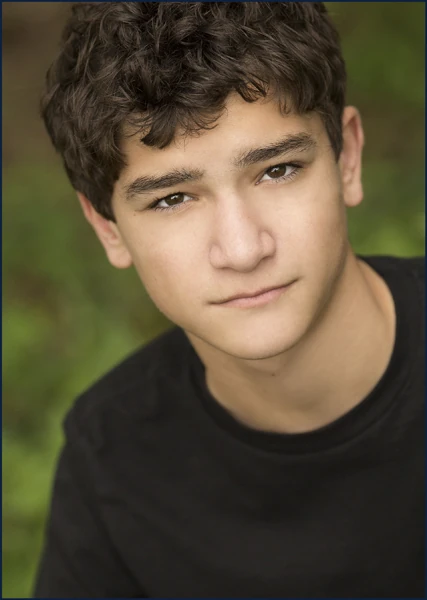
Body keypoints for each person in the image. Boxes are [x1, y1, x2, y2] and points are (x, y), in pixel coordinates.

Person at [34, 2, 424, 597]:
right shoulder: (111, 457)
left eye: (278, 169)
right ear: (108, 228)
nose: (242, 250)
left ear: (347, 158)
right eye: (171, 199)